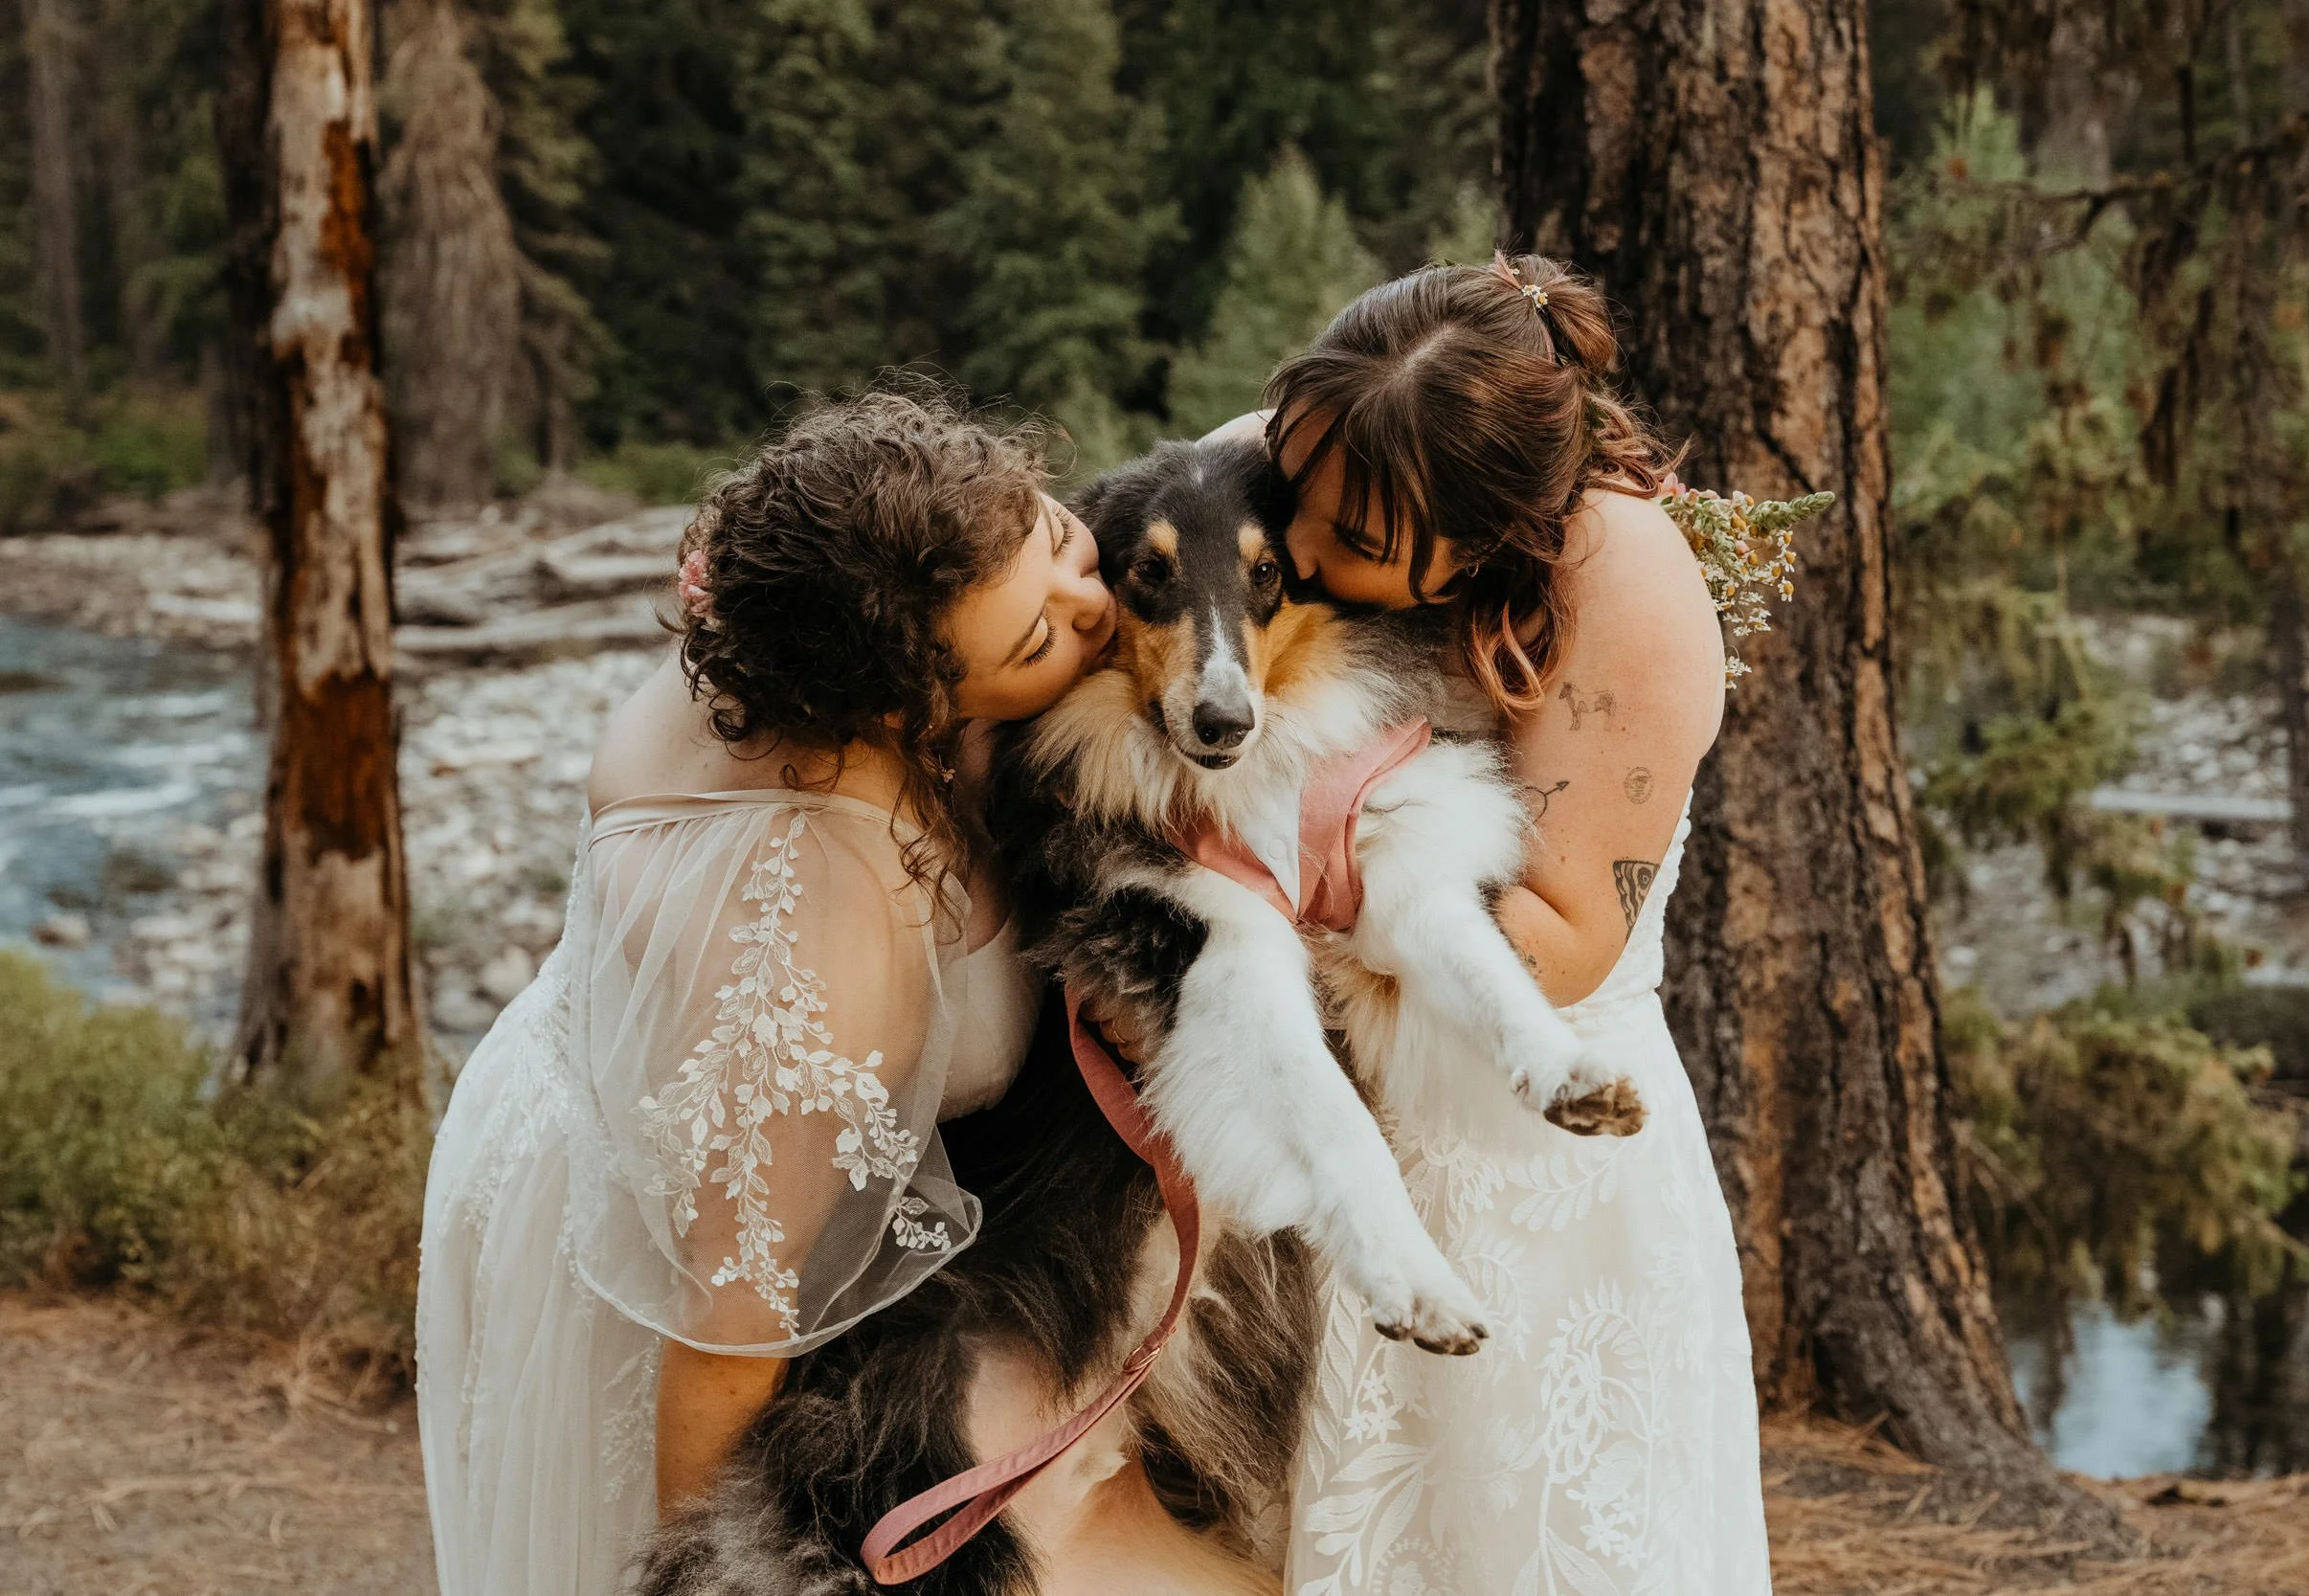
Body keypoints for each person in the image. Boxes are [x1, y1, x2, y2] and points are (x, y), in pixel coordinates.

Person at [415, 391, 1268, 1596]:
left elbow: (1203, 474)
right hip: (674, 1227)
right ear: (912, 709)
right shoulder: (824, 932)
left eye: (1057, 537)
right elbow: (728, 1329)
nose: (1099, 605)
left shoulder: (839, 572)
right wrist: (705, 1574)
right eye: (1038, 640)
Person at [1229, 255, 1772, 1595]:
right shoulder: (1313, 460)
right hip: (1314, 1155)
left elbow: (1566, 930)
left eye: (1352, 543)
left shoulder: (1626, 584)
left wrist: (1240, 929)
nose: (1296, 555)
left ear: (1486, 537)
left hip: (1528, 1170)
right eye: (1301, 499)